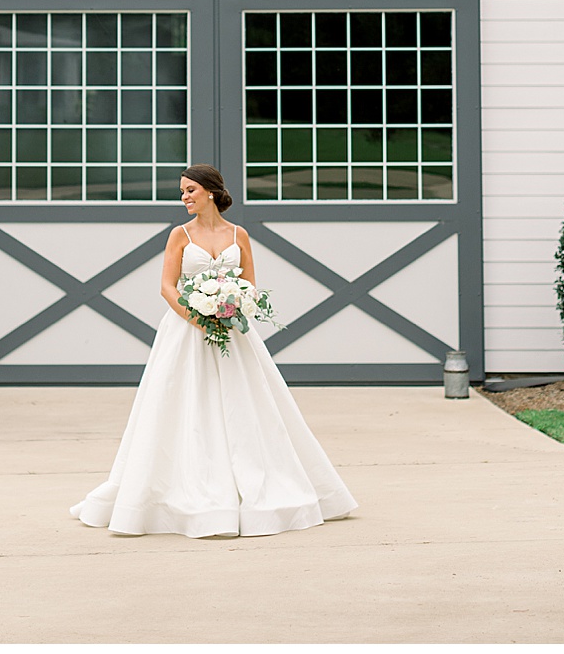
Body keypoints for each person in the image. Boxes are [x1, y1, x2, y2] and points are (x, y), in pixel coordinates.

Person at [69, 163, 358, 537]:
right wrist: (198, 317)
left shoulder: (239, 235)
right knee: (186, 404)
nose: (184, 197)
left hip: (232, 332)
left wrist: (235, 305)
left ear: (210, 191)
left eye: (190, 190)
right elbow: (167, 286)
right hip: (186, 331)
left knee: (246, 405)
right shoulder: (180, 235)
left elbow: (250, 285)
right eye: (182, 191)